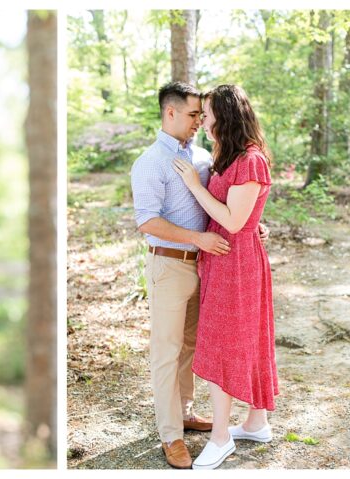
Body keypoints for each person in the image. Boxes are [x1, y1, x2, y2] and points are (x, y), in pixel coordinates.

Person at [130, 81, 268, 469]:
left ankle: (186, 412)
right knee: (167, 352)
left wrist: (251, 225)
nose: (199, 122)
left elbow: (229, 203)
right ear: (170, 112)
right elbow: (147, 221)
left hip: (209, 267)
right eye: (193, 115)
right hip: (171, 265)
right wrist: (199, 239)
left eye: (202, 116)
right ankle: (171, 435)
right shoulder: (150, 162)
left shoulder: (206, 157)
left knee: (193, 348)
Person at [172, 84, 278, 470]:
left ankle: (220, 438)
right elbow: (243, 214)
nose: (204, 120)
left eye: (210, 113)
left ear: (227, 116)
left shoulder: (251, 160)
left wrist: (195, 187)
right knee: (239, 340)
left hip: (237, 265)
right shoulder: (228, 156)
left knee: (224, 344)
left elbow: (234, 219)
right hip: (223, 259)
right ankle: (256, 422)